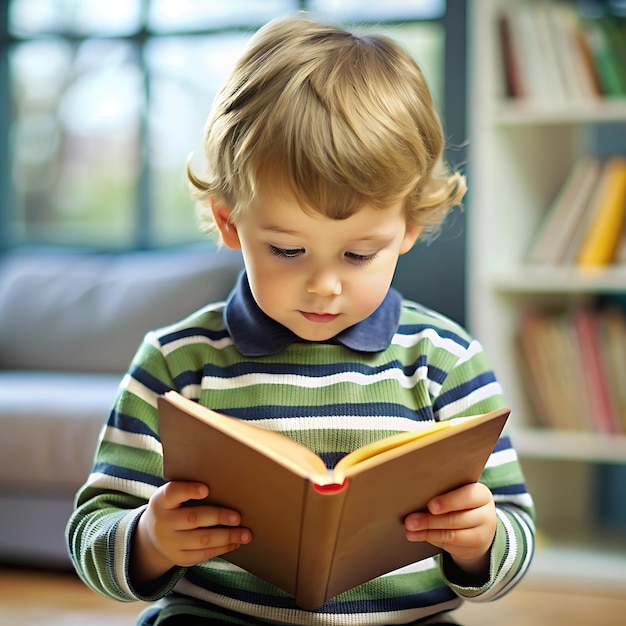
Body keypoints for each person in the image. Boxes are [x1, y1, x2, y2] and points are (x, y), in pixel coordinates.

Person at [67, 14, 535, 626]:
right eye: (288, 251)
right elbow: (94, 530)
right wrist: (150, 539)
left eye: (359, 254)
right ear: (232, 222)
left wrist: (481, 541)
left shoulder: (445, 360)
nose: (324, 285)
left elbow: (514, 529)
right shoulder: (177, 363)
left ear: (409, 229)